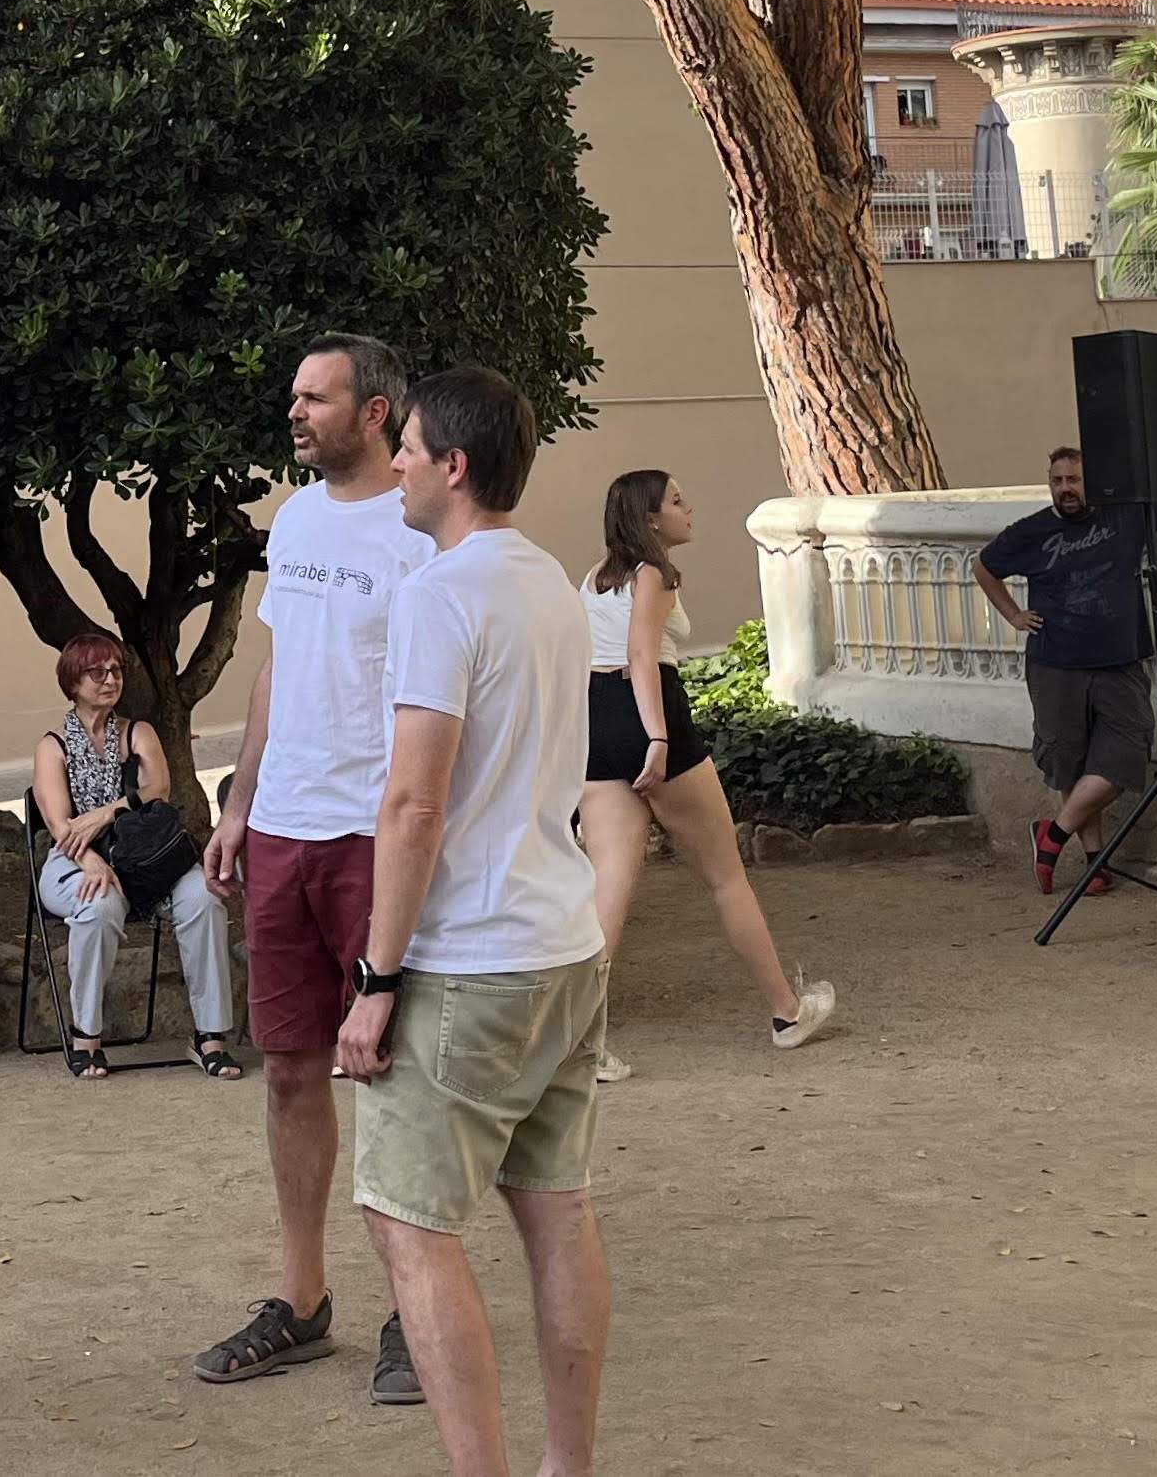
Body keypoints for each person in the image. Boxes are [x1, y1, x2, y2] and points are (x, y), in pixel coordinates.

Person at [336, 368, 610, 1477]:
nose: (391, 459)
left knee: (410, 1224)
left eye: (405, 444)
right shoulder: (548, 580)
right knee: (557, 1214)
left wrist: (376, 974)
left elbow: (413, 800)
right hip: (562, 940)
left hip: (470, 957)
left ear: (453, 464)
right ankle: (568, 1463)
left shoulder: (440, 593)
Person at [194, 333, 431, 1404]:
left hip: (378, 830)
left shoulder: (422, 526)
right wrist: (240, 801)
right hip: (285, 824)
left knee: (392, 1065)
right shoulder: (293, 518)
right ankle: (301, 1298)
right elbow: (278, 665)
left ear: (375, 411)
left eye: (315, 396)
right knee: (290, 1065)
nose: (294, 411)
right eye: (291, 394)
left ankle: (410, 1308)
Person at [577, 469, 835, 1079]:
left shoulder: (594, 576)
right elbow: (643, 654)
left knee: (608, 886)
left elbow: (589, 653)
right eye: (675, 501)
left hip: (595, 719)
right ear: (648, 519)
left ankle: (580, 1041)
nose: (688, 508)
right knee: (726, 878)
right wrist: (659, 737)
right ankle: (786, 1014)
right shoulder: (656, 574)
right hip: (650, 713)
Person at [973, 446, 1157, 897]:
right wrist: (1014, 615)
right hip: (1055, 664)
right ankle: (1096, 863)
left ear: (1093, 483)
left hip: (1121, 660)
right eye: (1058, 481)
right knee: (1069, 762)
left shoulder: (1123, 516)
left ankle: (1053, 834)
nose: (1066, 489)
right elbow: (984, 567)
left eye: (1074, 480)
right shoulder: (1032, 531)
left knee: (1125, 756)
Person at [31, 633, 237, 1080]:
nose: (111, 679)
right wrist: (93, 861)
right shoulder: (53, 746)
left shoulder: (138, 732)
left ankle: (211, 1037)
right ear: (72, 682)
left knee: (203, 898)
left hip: (147, 858)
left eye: (116, 670)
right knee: (98, 904)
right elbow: (60, 826)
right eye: (97, 672)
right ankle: (87, 1036)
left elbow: (157, 790)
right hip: (75, 860)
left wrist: (107, 812)